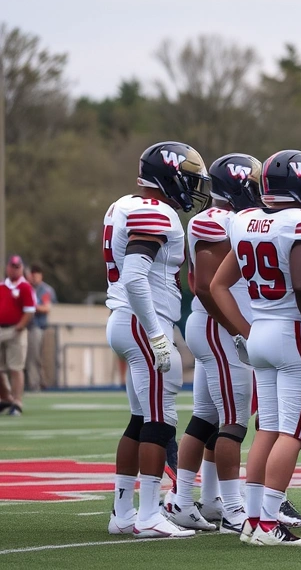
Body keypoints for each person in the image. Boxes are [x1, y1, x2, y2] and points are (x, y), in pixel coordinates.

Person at [210, 149, 301, 546]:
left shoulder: (244, 220)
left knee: (270, 428)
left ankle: (251, 519)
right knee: (293, 433)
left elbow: (217, 285)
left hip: (261, 329)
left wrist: (246, 330)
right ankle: (267, 523)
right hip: (293, 332)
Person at [104, 141, 210, 539]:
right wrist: (156, 334)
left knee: (140, 419)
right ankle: (148, 513)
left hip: (125, 317)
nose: (192, 187)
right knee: (159, 419)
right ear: (169, 176)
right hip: (141, 321)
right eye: (187, 178)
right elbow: (134, 275)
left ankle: (123, 511)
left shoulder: (123, 204)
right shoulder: (155, 211)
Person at [171, 153, 264, 535]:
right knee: (235, 421)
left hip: (217, 326)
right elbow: (206, 287)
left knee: (206, 417)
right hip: (218, 327)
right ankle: (234, 509)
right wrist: (240, 328)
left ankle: (185, 500)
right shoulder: (215, 221)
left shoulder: (230, 219)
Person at [0, 255, 36, 415]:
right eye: (12, 266)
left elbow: (29, 311)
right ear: (7, 267)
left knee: (15, 368)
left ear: (21, 268)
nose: (14, 269)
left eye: (17, 266)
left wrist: (19, 328)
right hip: (1, 329)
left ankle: (17, 401)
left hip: (15, 330)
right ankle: (6, 397)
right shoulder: (2, 286)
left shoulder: (25, 287)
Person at [26, 264, 55, 392]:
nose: (34, 278)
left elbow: (46, 308)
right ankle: (35, 382)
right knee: (31, 357)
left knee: (35, 357)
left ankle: (35, 384)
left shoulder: (45, 290)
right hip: (25, 326)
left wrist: (31, 307)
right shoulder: (26, 287)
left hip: (38, 326)